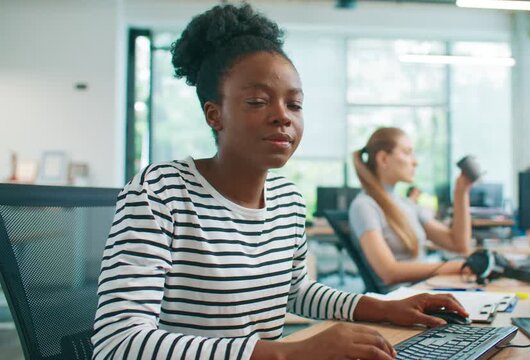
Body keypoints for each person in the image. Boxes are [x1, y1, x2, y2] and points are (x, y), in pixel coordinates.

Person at [91, 5, 468, 360]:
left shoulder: (287, 199)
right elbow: (119, 342)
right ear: (214, 114)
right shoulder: (160, 192)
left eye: (294, 104)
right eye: (257, 102)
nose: (282, 117)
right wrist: (288, 353)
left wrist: (384, 308)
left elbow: (294, 291)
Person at [350, 127, 474, 287]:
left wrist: (461, 193)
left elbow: (459, 244)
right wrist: (456, 267)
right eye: (407, 153)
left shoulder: (407, 205)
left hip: (422, 290)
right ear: (383, 159)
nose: (415, 161)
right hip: (401, 301)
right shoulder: (365, 206)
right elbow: (388, 272)